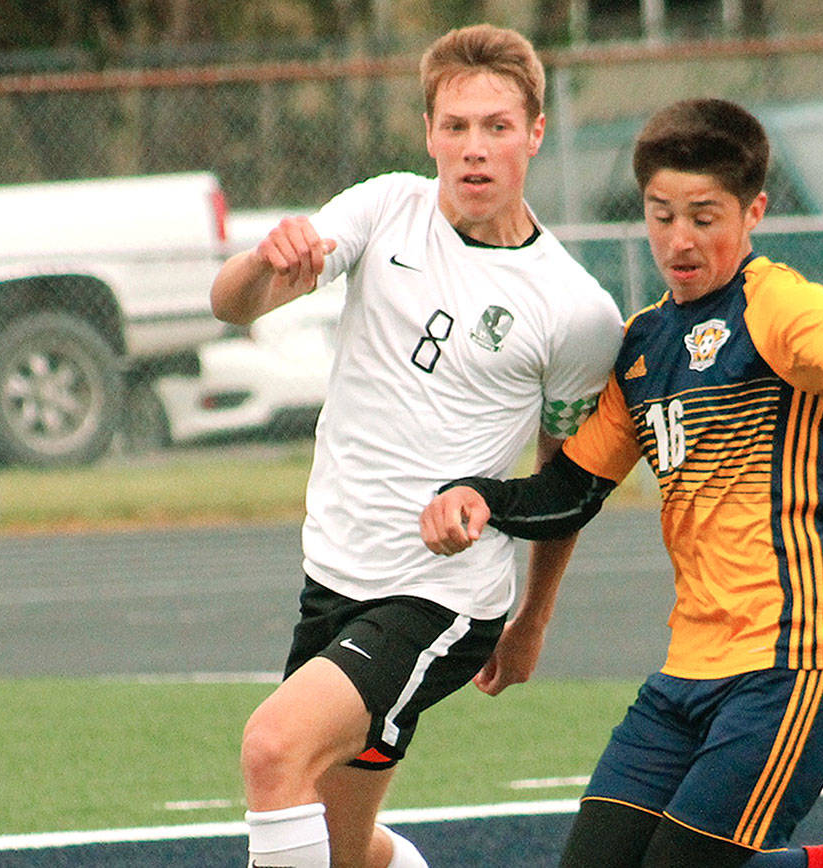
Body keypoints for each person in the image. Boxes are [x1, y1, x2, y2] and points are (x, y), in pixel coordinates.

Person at [420, 98, 823, 868]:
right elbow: (572, 490)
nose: (680, 240)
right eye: (661, 216)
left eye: (704, 216)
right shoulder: (645, 344)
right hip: (688, 668)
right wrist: (481, 497)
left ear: (753, 210)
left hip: (795, 662)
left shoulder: (775, 302)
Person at [210, 23, 624, 868]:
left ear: (535, 133)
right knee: (342, 848)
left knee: (271, 749)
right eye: (455, 127)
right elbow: (232, 306)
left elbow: (564, 476)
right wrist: (264, 261)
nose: (474, 150)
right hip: (333, 575)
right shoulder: (383, 208)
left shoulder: (574, 309)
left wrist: (532, 617)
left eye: (497, 127)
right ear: (430, 132)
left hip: (441, 599)